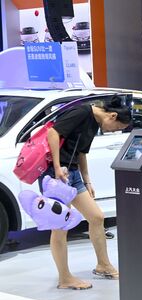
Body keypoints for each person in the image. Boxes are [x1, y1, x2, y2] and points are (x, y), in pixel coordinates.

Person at [44, 96, 131, 289]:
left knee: (97, 217)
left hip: (72, 174)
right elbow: (53, 132)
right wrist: (57, 167)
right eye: (117, 127)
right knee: (60, 227)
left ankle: (103, 265)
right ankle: (64, 278)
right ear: (112, 115)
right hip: (58, 176)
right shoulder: (82, 112)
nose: (114, 131)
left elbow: (81, 152)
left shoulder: (94, 122)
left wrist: (87, 181)